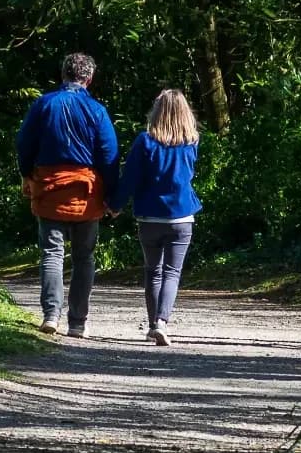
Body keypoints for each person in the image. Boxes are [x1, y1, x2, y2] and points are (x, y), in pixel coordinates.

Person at [16, 53, 119, 337]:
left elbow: (24, 142)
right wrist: (111, 194)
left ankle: (51, 315)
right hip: (86, 192)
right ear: (89, 78)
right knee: (84, 257)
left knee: (51, 252)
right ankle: (77, 323)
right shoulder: (97, 110)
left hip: (49, 187)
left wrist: (27, 174)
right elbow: (109, 155)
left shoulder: (43, 104)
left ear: (63, 75)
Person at [113, 89, 202, 347]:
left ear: (157, 111)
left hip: (149, 216)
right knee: (172, 273)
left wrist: (116, 204)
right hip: (182, 216)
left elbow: (130, 178)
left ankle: (154, 325)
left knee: (153, 272)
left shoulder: (145, 141)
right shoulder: (192, 141)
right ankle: (162, 322)